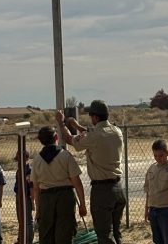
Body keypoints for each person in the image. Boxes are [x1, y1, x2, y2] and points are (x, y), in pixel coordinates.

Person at [57, 99, 125, 244]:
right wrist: (77, 126)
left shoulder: (94, 136)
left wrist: (62, 123)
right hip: (118, 189)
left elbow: (70, 139)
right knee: (116, 232)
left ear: (94, 117)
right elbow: (94, 134)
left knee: (104, 234)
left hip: (102, 191)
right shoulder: (116, 131)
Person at [30, 125, 87, 244]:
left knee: (46, 235)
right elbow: (77, 183)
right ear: (56, 137)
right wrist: (82, 204)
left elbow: (35, 188)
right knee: (65, 234)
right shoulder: (65, 156)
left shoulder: (37, 160)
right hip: (64, 198)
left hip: (46, 198)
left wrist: (39, 209)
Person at [13, 148, 34, 244]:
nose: (18, 161)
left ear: (26, 158)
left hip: (26, 196)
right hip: (18, 195)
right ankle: (20, 239)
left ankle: (28, 240)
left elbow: (31, 187)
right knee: (21, 219)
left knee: (28, 220)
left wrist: (32, 200)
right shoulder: (19, 170)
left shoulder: (28, 170)